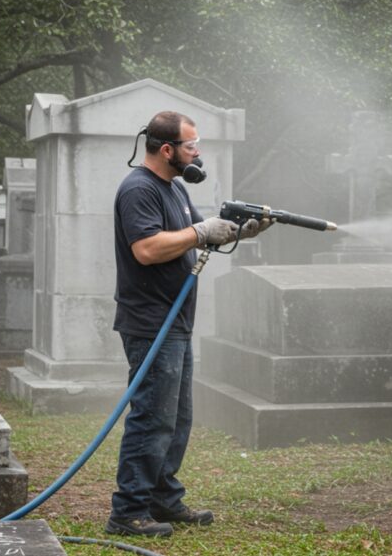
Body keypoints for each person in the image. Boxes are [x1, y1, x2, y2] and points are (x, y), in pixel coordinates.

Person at [107, 110, 267, 537]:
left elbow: (198, 233)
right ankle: (128, 512)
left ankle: (163, 500)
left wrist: (238, 232)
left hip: (174, 320)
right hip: (150, 322)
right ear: (167, 149)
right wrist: (201, 232)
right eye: (191, 145)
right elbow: (146, 248)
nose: (197, 153)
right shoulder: (139, 189)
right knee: (152, 417)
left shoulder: (173, 188)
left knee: (176, 418)